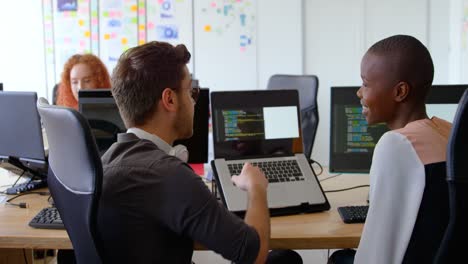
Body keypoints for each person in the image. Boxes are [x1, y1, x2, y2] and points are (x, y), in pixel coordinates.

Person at [96, 41, 272, 263]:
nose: (193, 102)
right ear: (169, 99)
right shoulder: (168, 174)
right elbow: (254, 254)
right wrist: (256, 187)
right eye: (190, 92)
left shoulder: (105, 162)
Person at [329, 35, 452, 264]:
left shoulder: (397, 144)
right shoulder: (450, 132)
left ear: (400, 92)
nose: (359, 92)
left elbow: (377, 250)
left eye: (365, 84)